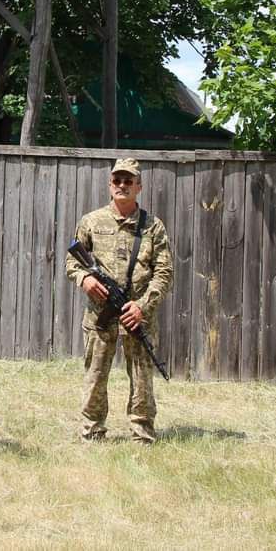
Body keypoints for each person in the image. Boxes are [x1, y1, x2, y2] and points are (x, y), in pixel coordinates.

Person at [65, 158, 173, 444]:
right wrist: (85, 280)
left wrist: (141, 307)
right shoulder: (91, 221)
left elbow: (164, 273)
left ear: (139, 186)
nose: (122, 185)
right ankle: (92, 432)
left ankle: (142, 433)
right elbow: (71, 262)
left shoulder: (153, 227)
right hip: (100, 316)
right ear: (110, 185)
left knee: (141, 378)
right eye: (117, 180)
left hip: (137, 316)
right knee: (96, 375)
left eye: (128, 181)